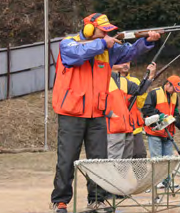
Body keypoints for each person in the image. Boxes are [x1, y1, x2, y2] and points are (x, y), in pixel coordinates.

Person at [51, 13, 160, 213]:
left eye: (110, 32)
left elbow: (129, 53)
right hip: (71, 112)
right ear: (90, 29)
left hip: (97, 113)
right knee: (66, 159)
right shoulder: (68, 44)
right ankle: (60, 201)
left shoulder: (107, 49)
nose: (108, 35)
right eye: (104, 31)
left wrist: (146, 41)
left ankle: (97, 200)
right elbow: (78, 55)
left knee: (99, 160)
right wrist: (103, 43)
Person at [142, 75, 180, 189]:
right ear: (167, 84)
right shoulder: (154, 93)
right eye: (174, 88)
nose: (175, 92)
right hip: (155, 131)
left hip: (168, 132)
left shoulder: (174, 96)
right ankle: (156, 182)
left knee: (168, 159)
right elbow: (146, 109)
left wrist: (179, 122)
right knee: (157, 159)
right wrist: (159, 114)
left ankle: (167, 181)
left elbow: (175, 111)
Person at [106, 62, 156, 159]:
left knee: (125, 162)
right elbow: (94, 99)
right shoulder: (103, 79)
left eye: (127, 61)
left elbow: (139, 91)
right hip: (112, 128)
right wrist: (109, 113)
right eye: (121, 60)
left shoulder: (123, 81)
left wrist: (150, 76)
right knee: (113, 161)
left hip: (127, 128)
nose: (125, 64)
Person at [116, 62, 148, 159]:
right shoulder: (112, 80)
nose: (126, 65)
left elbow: (140, 104)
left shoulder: (135, 81)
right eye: (123, 61)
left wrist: (143, 91)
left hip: (134, 126)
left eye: (128, 62)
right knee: (121, 157)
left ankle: (139, 175)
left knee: (140, 155)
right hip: (117, 126)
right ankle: (120, 175)